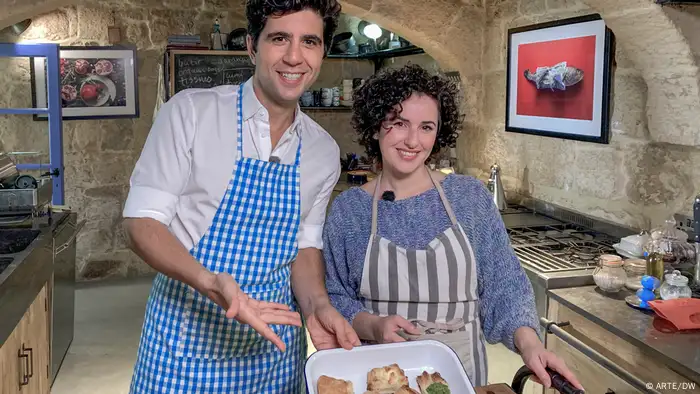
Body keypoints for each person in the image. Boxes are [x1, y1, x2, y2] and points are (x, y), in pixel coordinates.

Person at [122, 0, 360, 392]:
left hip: (274, 350)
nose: (294, 57)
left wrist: (318, 308)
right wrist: (209, 281)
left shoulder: (323, 152)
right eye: (279, 38)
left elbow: (304, 246)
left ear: (323, 53)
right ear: (252, 46)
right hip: (184, 343)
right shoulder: (191, 114)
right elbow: (142, 224)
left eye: (310, 42)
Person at [322, 64, 583, 390]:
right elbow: (334, 297)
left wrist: (530, 346)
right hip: (380, 377)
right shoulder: (350, 211)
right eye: (399, 124)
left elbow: (505, 287)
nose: (413, 140)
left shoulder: (469, 198)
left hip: (461, 379)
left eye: (426, 127)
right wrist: (373, 326)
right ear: (376, 126)